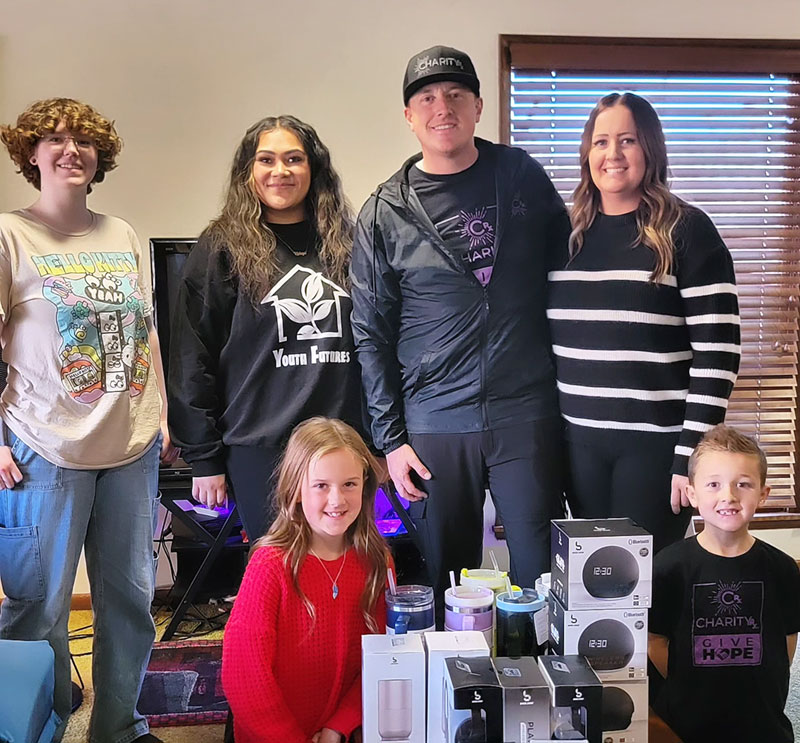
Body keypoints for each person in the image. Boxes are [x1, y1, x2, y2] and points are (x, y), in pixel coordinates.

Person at [350, 45, 569, 615]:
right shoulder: (383, 212)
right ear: (409, 116)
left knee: (540, 577)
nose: (441, 107)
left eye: (454, 95)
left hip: (526, 413)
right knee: (448, 581)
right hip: (435, 423)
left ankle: (534, 692)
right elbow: (370, 332)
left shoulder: (520, 176)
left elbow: (568, 272)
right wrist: (391, 440)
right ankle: (459, 697)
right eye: (426, 97)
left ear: (477, 106)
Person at [0, 98, 177, 742]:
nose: (71, 150)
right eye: (55, 139)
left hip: (129, 446)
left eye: (84, 141)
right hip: (42, 446)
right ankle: (34, 726)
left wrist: (159, 408)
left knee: (130, 601)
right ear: (32, 155)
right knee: (38, 607)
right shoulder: (9, 234)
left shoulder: (122, 234)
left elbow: (146, 328)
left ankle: (118, 729)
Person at [547, 92, 741, 551]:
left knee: (647, 592)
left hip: (656, 449)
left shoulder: (686, 231)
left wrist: (690, 456)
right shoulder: (563, 237)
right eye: (601, 142)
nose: (612, 155)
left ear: (650, 150)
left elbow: (718, 354)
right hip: (578, 448)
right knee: (594, 589)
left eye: (627, 140)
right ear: (586, 153)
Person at [168, 115, 364, 543]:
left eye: (294, 159)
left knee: (341, 567)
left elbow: (376, 344)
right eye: (267, 160)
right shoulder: (221, 246)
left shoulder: (349, 243)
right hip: (259, 446)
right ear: (249, 172)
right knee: (275, 572)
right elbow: (192, 357)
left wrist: (381, 443)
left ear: (314, 169)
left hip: (342, 442)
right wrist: (204, 459)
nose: (281, 171)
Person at [222, 417, 389, 743]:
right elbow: (244, 679)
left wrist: (338, 726)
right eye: (321, 485)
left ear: (365, 484)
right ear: (296, 489)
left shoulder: (377, 560)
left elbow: (381, 657)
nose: (337, 500)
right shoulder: (269, 566)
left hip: (342, 732)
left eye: (349, 484)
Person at [648, 424, 800, 742]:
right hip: (687, 722)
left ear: (763, 494)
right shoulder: (667, 567)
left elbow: (786, 643)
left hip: (762, 724)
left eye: (743, 484)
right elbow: (655, 640)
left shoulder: (783, 568)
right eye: (713, 484)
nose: (728, 496)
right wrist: (688, 680)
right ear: (691, 493)